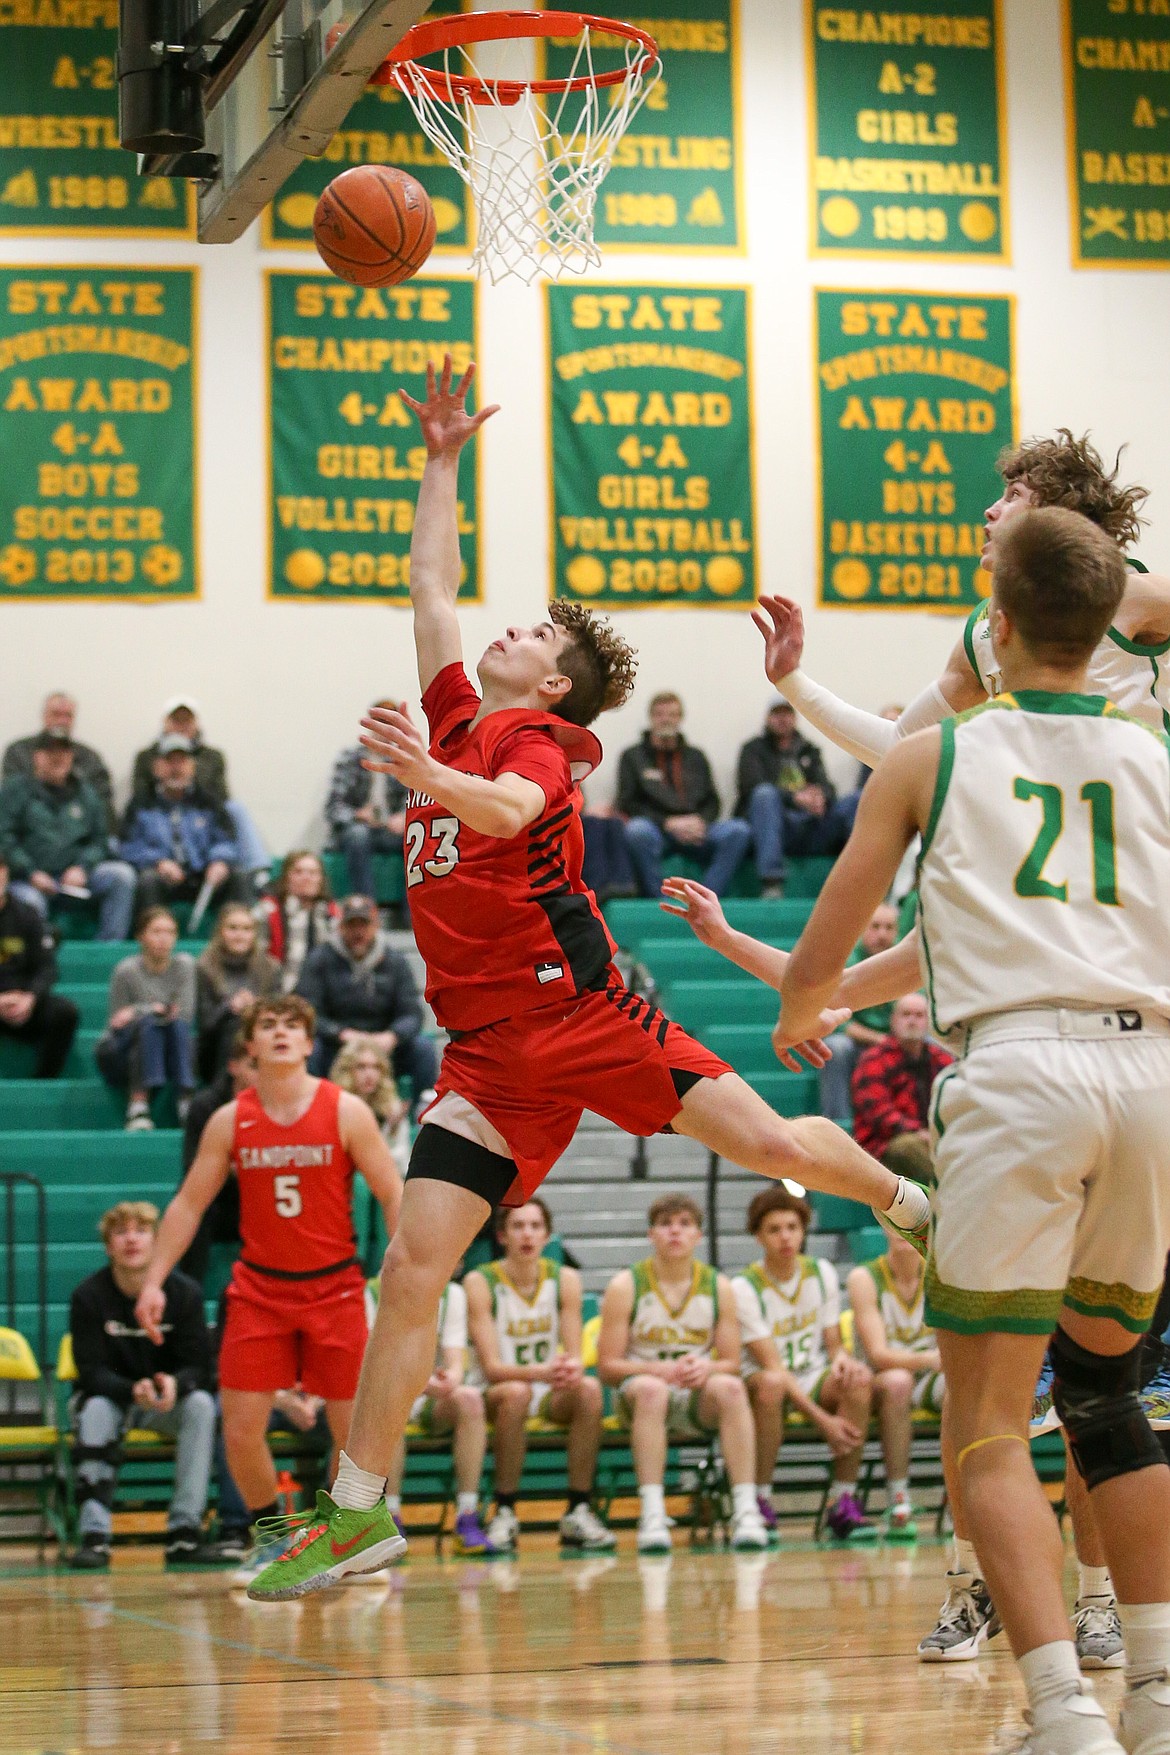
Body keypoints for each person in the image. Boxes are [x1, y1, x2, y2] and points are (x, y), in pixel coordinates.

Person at [237, 356, 926, 1604]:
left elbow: (502, 813)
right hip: (492, 1054)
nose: (508, 629)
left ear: (555, 683)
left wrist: (425, 778)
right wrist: (442, 459)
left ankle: (903, 1198)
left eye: (535, 634)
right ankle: (359, 1513)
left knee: (776, 1148)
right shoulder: (458, 714)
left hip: (585, 1015)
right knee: (411, 1267)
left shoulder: (539, 740)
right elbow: (431, 586)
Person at [778, 505, 1170, 1755]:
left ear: (994, 624)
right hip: (1153, 1075)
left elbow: (840, 920)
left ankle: (1061, 1712)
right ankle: (1160, 1697)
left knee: (992, 1421)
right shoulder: (1158, 748)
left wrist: (799, 1004)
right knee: (1110, 1396)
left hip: (1020, 1074)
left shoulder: (932, 753)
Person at [133, 993, 402, 1587]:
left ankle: (348, 1538)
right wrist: (153, 1280)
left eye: (292, 1026)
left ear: (310, 1043)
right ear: (249, 1045)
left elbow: (394, 1191)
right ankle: (275, 1538)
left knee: (355, 1432)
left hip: (335, 1288)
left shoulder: (346, 1110)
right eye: (267, 1026)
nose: (280, 1034)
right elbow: (188, 1203)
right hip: (260, 1291)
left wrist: (408, 1268)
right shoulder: (230, 1119)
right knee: (240, 1426)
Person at [756, 430, 1169, 763]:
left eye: (1014, 496)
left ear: (1057, 517)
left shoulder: (1127, 595)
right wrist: (792, 682)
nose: (991, 510)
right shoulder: (988, 630)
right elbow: (900, 746)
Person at [598, 1194, 769, 1553]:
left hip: (694, 1395)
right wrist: (654, 1370)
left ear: (698, 1236)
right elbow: (608, 1367)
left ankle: (746, 1509)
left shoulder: (718, 1286)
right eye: (665, 1224)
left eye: (685, 1224)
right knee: (651, 1390)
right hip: (640, 1397)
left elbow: (732, 1362)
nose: (675, 1231)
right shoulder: (625, 1286)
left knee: (731, 1388)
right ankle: (653, 1513)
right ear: (651, 1234)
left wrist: (708, 1366)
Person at [67, 1201, 221, 1570]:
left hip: (166, 1404)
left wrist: (176, 1384)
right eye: (121, 1232)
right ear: (108, 1246)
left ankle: (184, 1531)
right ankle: (94, 1535)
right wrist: (130, 1390)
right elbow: (90, 1371)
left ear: (156, 1242)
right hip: (113, 1400)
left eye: (141, 1231)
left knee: (201, 1405)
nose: (131, 1240)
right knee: (95, 1409)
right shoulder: (88, 1297)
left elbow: (200, 1365)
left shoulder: (184, 1294)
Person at [465, 1198, 614, 1555]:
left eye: (534, 1226)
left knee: (589, 1389)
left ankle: (578, 1508)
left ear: (547, 1235)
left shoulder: (565, 1279)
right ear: (502, 1235)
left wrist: (570, 1367)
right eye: (518, 1226)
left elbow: (575, 1354)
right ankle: (504, 1510)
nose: (527, 1235)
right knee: (516, 1392)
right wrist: (542, 1372)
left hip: (546, 1390)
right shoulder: (480, 1281)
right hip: (493, 1394)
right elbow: (492, 1369)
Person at [732, 1185, 876, 1542]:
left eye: (792, 1228)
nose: (785, 1237)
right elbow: (774, 1368)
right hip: (765, 1382)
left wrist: (843, 1360)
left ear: (804, 1230)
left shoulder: (821, 1272)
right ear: (757, 1236)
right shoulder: (744, 1287)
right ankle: (759, 1498)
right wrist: (824, 1421)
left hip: (810, 1374)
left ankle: (843, 1498)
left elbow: (833, 1344)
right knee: (771, 1385)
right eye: (774, 1229)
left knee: (858, 1378)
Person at [378, 1274, 496, 1556]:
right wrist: (419, 1380)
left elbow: (455, 1363)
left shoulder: (452, 1293)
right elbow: (378, 1364)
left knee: (470, 1399)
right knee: (390, 1402)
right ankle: (390, 1520)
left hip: (431, 1395)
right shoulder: (375, 1290)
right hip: (388, 1394)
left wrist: (450, 1380)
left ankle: (467, 1516)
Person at [847, 1232, 945, 1538]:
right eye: (896, 1220)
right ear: (884, 1226)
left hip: (929, 1378)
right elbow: (878, 1355)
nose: (904, 1229)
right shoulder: (864, 1277)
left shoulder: (941, 1274)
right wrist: (931, 1359)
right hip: (879, 1381)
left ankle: (964, 1502)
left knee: (963, 1387)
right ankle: (898, 1498)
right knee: (898, 1381)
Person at [296, 894, 437, 1104]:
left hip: (384, 1045)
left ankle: (423, 1113)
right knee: (310, 1050)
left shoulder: (395, 961)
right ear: (340, 926)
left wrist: (392, 1036)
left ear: (376, 925)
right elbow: (307, 1010)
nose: (358, 932)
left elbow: (411, 1013)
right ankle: (312, 1111)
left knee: (423, 1049)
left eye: (364, 924)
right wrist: (340, 1034)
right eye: (351, 925)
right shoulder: (320, 959)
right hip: (336, 1045)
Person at [0, 731, 135, 941]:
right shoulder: (15, 790)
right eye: (51, 751)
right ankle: (39, 957)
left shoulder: (87, 794)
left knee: (121, 876)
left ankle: (108, 950)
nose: (58, 757)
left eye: (64, 751)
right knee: (29, 901)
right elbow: (5, 839)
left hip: (75, 878)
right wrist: (31, 872)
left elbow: (100, 840)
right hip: (29, 880)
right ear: (37, 756)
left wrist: (82, 867)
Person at [616, 693, 752, 898]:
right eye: (660, 714)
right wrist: (667, 823)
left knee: (738, 831)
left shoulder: (696, 756)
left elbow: (712, 801)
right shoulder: (633, 756)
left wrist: (700, 822)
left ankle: (705, 899)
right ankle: (659, 901)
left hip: (697, 830)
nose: (666, 719)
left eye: (672, 714)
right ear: (651, 718)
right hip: (658, 831)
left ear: (680, 718)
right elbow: (627, 802)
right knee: (637, 831)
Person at [131, 697, 269, 882]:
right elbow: (141, 795)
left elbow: (220, 797)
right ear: (166, 723)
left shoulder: (212, 756)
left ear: (196, 723)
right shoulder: (148, 756)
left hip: (200, 816)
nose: (182, 725)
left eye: (187, 720)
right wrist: (166, 778)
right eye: (176, 720)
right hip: (161, 816)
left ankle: (258, 872)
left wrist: (186, 777)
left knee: (235, 809)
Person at [734, 702, 858, 899]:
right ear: (768, 718)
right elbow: (751, 788)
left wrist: (820, 798)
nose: (783, 719)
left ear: (795, 718)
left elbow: (827, 787)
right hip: (775, 830)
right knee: (764, 795)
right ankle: (771, 882)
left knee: (855, 800)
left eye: (787, 713)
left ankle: (859, 879)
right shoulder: (753, 750)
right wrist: (795, 798)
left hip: (811, 827)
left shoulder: (810, 750)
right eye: (777, 714)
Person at [120, 736, 247, 921]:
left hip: (205, 876)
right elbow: (127, 846)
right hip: (163, 877)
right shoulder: (140, 803)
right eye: (170, 761)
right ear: (157, 767)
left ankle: (241, 937)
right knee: (149, 880)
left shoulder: (209, 801)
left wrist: (219, 860)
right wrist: (158, 862)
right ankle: (155, 937)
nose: (176, 768)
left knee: (238, 877)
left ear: (193, 766)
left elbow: (227, 840)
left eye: (182, 761)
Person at [95, 907, 196, 1130]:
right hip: (121, 1051)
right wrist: (153, 1011)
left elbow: (185, 1014)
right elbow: (118, 1023)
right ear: (140, 936)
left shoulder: (185, 966)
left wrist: (140, 1009)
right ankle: (138, 1103)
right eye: (156, 931)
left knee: (176, 1027)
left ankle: (185, 1102)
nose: (163, 939)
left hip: (169, 1043)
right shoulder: (126, 971)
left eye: (170, 932)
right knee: (149, 1026)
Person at [178, 1033, 251, 1286]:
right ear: (233, 1066)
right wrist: (239, 1167)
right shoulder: (206, 1106)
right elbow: (192, 1168)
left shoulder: (278, 1105)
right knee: (196, 1200)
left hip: (259, 1200)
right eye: (253, 1064)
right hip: (220, 1203)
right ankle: (190, 1289)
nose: (260, 1072)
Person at [850, 993, 955, 1166]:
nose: (912, 1021)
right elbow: (880, 1115)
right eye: (906, 1014)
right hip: (883, 1148)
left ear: (929, 1021)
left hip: (931, 1139)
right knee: (909, 1146)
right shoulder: (874, 1059)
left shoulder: (942, 1059)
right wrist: (920, 1133)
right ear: (893, 1020)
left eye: (919, 1015)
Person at [817, 902, 898, 1125]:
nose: (882, 934)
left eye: (889, 928)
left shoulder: (903, 960)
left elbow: (915, 1006)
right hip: (859, 1043)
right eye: (875, 927)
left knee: (932, 1043)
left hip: (896, 1041)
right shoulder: (845, 963)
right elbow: (841, 1024)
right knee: (835, 1047)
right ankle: (839, 1126)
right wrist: (881, 1039)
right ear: (862, 930)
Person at [0, 853, 78, 1078]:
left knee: (64, 1013)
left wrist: (30, 998)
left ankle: (45, 1081)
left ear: (6, 875)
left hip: (24, 1003)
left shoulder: (26, 914)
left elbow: (47, 967)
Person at [3, 691, 114, 827]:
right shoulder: (18, 752)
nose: (62, 721)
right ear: (44, 716)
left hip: (79, 832)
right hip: (29, 831)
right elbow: (10, 801)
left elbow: (103, 805)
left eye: (68, 715)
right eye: (56, 714)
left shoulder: (90, 758)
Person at [196, 903, 281, 1081]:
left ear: (254, 934)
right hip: (214, 1047)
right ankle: (227, 1090)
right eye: (233, 928)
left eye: (246, 929)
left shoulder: (270, 967)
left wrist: (256, 1008)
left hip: (261, 1041)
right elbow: (205, 1024)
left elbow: (277, 1015)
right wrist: (229, 1007)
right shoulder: (205, 967)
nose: (240, 935)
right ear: (221, 932)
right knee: (235, 1023)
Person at [325, 720, 409, 899]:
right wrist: (357, 815)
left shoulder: (401, 760)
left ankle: (411, 916)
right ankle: (365, 908)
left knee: (415, 836)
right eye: (381, 725)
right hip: (357, 829)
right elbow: (333, 807)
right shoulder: (350, 759)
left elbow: (413, 798)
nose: (385, 731)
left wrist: (403, 816)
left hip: (388, 831)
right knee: (358, 835)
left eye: (390, 726)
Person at [256, 851, 340, 993]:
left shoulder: (333, 913)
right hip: (279, 993)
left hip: (323, 996)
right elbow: (256, 961)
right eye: (298, 872)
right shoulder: (267, 910)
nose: (306, 878)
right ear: (286, 878)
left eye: (313, 873)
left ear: (321, 879)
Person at [329, 1037, 408, 1158]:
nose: (369, 1074)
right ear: (347, 1070)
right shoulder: (335, 1105)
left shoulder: (392, 1107)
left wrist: (393, 1130)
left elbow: (401, 1158)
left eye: (376, 1067)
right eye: (361, 1067)